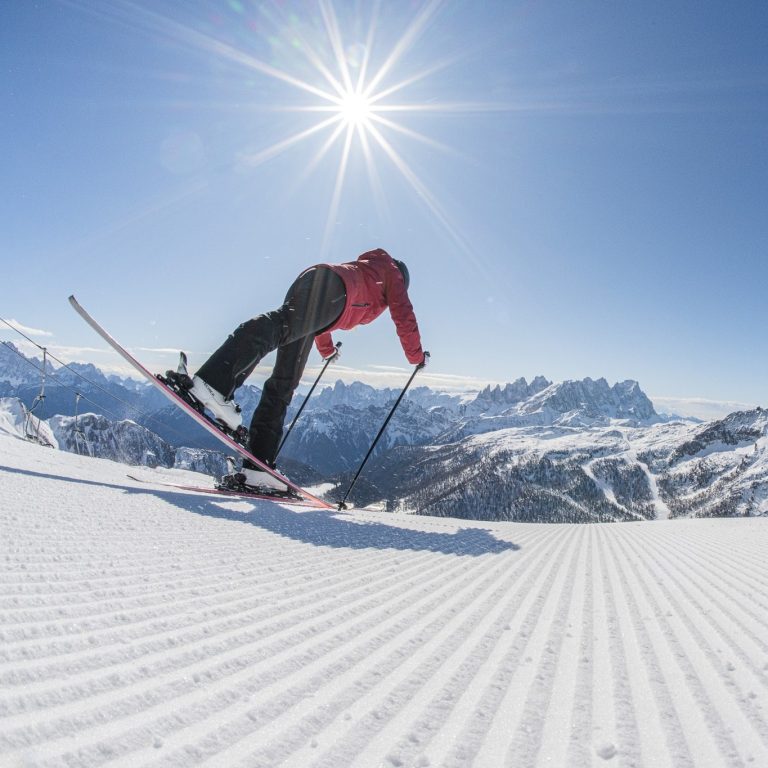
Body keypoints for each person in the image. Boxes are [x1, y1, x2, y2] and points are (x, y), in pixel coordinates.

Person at [188, 247, 427, 490]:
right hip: (328, 290)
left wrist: (327, 350)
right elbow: (403, 315)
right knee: (281, 327)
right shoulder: (391, 273)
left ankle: (259, 466)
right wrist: (416, 356)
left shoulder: (364, 273)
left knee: (285, 380)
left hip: (320, 287)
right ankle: (213, 382)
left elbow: (321, 317)